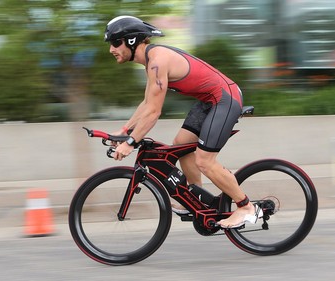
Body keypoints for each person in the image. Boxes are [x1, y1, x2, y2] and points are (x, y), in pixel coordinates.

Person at [104, 15, 262, 229]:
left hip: (225, 99)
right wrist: (125, 130)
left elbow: (153, 112)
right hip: (209, 101)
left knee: (205, 160)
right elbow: (146, 103)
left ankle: (245, 207)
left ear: (131, 41)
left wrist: (130, 142)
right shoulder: (152, 60)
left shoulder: (157, 63)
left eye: (115, 43)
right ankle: (196, 200)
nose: (111, 49)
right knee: (180, 146)